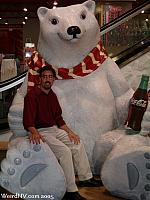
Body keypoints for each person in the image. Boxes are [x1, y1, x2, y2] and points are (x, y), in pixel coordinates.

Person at [23, 66, 102, 200]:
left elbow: (59, 119)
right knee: (65, 152)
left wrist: (71, 133)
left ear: (53, 79)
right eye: (45, 77)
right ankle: (70, 191)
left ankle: (85, 178)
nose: (47, 79)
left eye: (50, 77)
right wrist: (34, 132)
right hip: (41, 131)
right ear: (40, 79)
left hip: (54, 129)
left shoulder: (52, 95)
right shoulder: (32, 95)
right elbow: (28, 120)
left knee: (77, 142)